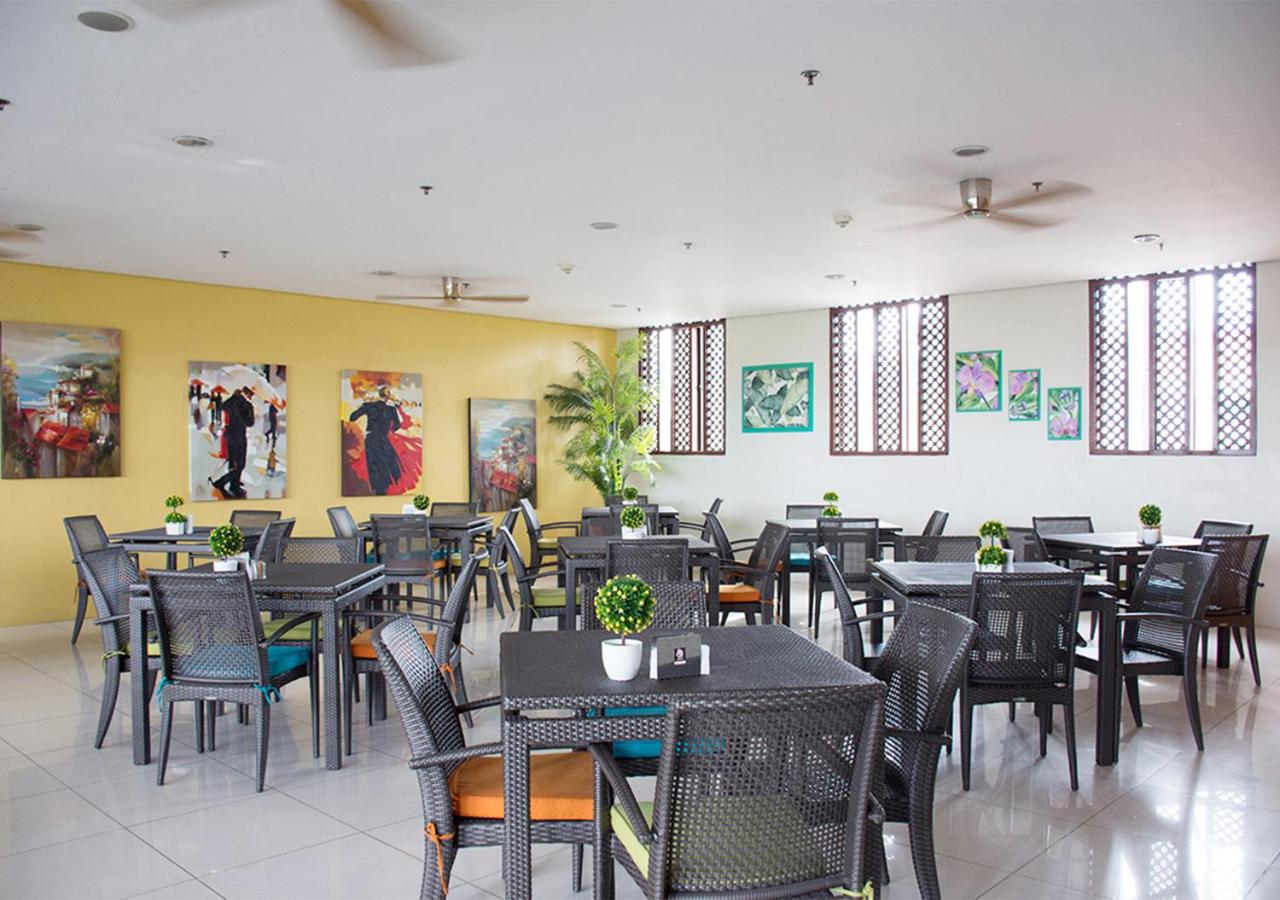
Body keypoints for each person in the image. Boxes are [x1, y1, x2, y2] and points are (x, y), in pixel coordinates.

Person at [348, 383, 405, 495]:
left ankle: (377, 490)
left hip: (371, 438)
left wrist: (363, 406)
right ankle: (383, 489)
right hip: (383, 439)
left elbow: (352, 417)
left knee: (374, 465)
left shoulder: (369, 406)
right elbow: (397, 426)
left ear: (379, 394)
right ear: (388, 396)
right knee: (385, 464)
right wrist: (387, 428)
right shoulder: (391, 409)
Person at [211, 386, 255, 499]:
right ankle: (221, 482)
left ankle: (234, 486)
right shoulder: (247, 405)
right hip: (239, 436)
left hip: (229, 435)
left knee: (233, 462)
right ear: (248, 394)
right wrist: (247, 410)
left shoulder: (228, 402)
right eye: (252, 395)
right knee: (240, 464)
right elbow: (250, 423)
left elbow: (224, 411)